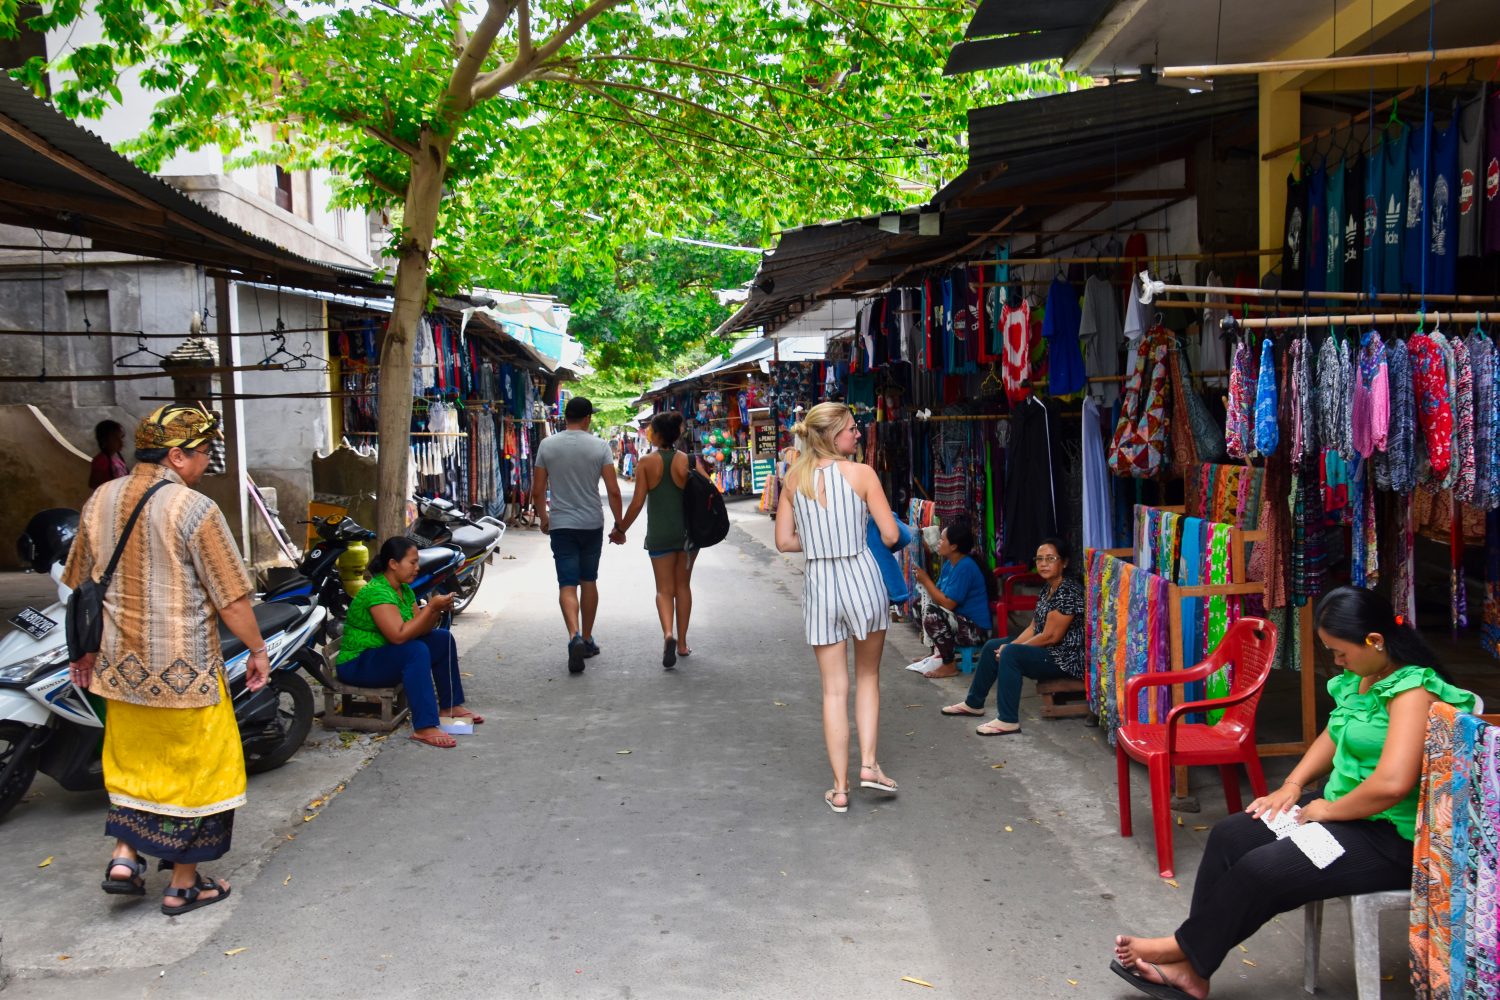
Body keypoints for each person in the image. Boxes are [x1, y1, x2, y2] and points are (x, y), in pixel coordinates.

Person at [1110, 586, 1476, 1000]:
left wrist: (1329, 810)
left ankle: (1182, 949)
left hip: (1385, 836)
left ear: (1375, 641)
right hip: (1339, 811)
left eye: (1340, 652)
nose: (1337, 662)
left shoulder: (1413, 691)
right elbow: (1333, 736)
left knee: (1261, 870)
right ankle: (1194, 967)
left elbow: (1392, 784)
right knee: (1231, 835)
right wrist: (1292, 786)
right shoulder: (1365, 676)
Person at [66, 403, 268, 916]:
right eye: (203, 455)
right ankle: (183, 885)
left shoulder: (99, 500)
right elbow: (232, 598)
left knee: (134, 767)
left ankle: (124, 856)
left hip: (120, 671)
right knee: (203, 773)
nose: (206, 466)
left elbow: (79, 581)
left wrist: (89, 650)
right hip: (187, 673)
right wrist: (258, 649)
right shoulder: (193, 508)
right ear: (176, 456)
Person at [775, 402, 902, 814]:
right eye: (851, 429)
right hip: (862, 577)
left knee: (833, 690)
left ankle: (840, 788)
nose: (858, 434)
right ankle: (868, 765)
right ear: (832, 435)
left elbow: (784, 542)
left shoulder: (795, 479)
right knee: (867, 676)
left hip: (820, 583)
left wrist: (819, 544)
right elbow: (888, 535)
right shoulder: (863, 475)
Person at [336, 537, 476, 748]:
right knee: (415, 651)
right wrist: (430, 608)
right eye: (412, 562)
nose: (417, 568)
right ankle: (425, 727)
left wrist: (435, 610)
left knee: (441, 639)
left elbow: (421, 629)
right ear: (393, 564)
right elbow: (399, 636)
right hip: (358, 663)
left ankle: (449, 707)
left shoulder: (404, 589)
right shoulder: (378, 592)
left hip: (384, 655)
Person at [940, 537, 1083, 735]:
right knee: (993, 647)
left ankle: (1008, 719)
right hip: (1049, 651)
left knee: (1012, 654)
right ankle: (974, 703)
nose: (1043, 564)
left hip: (1064, 659)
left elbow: (1051, 636)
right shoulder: (1048, 589)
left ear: (1064, 562)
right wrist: (1012, 644)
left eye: (1050, 558)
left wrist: (1013, 649)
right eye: (1039, 559)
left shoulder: (1069, 591)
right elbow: (1034, 627)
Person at [533, 397, 624, 674]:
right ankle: (586, 637)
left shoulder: (547, 445)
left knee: (567, 584)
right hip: (591, 524)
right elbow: (614, 490)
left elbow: (537, 490)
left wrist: (544, 518)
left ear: (565, 417)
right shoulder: (599, 446)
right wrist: (619, 525)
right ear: (587, 418)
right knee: (589, 580)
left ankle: (573, 635)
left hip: (561, 525)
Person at [614, 412, 693, 667]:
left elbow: (637, 503)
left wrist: (620, 529)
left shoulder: (646, 462)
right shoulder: (686, 460)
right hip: (686, 534)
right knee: (683, 587)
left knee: (663, 589)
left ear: (658, 435)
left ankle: (668, 634)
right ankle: (681, 644)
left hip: (659, 533)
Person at [906, 517, 993, 678]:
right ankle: (937, 653)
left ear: (953, 546)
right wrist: (926, 585)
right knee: (919, 606)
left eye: (942, 539)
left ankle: (949, 664)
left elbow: (948, 603)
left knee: (932, 614)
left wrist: (926, 581)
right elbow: (938, 594)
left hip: (976, 630)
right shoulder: (950, 563)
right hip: (960, 621)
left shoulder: (965, 567)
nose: (939, 542)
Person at [88, 419, 128, 489]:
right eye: (116, 439)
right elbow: (93, 484)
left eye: (121, 437)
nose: (121, 442)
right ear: (104, 441)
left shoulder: (117, 459)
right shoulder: (101, 461)